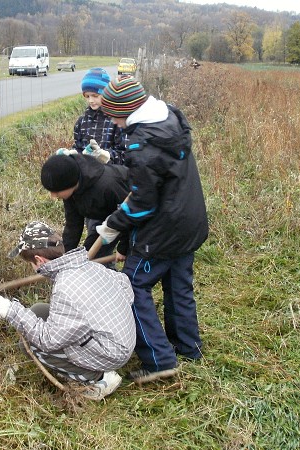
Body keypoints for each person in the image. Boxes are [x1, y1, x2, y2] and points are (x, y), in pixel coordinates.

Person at [96, 76, 209, 384]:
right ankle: (188, 346)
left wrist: (112, 225)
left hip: (164, 231)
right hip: (189, 221)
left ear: (127, 110)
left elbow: (143, 204)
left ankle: (159, 360)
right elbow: (152, 180)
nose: (114, 123)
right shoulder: (168, 118)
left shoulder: (144, 145)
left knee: (131, 288)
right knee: (178, 285)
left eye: (115, 116)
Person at [0, 221, 136, 401]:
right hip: (121, 338)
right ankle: (95, 360)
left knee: (31, 344)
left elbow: (48, 340)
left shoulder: (65, 287)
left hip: (112, 354)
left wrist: (11, 310)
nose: (32, 268)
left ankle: (99, 378)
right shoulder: (88, 265)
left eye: (30, 263)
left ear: (40, 260)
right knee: (38, 310)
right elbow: (125, 285)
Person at [40, 153, 129, 260]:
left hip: (137, 216)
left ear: (70, 183)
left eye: (56, 191)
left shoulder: (107, 185)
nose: (53, 196)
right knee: (88, 257)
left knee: (133, 257)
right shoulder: (70, 190)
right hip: (105, 218)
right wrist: (64, 256)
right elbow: (73, 225)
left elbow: (129, 214)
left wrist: (123, 247)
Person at [72, 67, 126, 165]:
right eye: (87, 96)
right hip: (87, 174)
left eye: (95, 96)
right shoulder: (82, 121)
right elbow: (79, 147)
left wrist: (106, 156)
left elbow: (124, 154)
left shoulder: (117, 121)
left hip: (110, 175)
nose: (90, 100)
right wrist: (73, 155)